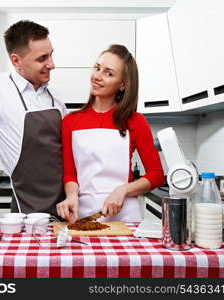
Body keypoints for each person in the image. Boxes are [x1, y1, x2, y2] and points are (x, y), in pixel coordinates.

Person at [0, 20, 67, 216]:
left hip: (67, 208)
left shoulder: (55, 97)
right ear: (16, 61)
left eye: (51, 54)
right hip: (26, 213)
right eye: (42, 58)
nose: (52, 64)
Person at [56, 44, 164, 223]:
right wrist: (71, 196)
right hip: (83, 215)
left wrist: (122, 190)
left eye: (108, 73)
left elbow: (157, 174)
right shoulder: (70, 121)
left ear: (122, 84)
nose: (97, 76)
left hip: (125, 217)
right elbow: (70, 174)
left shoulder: (135, 121)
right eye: (97, 68)